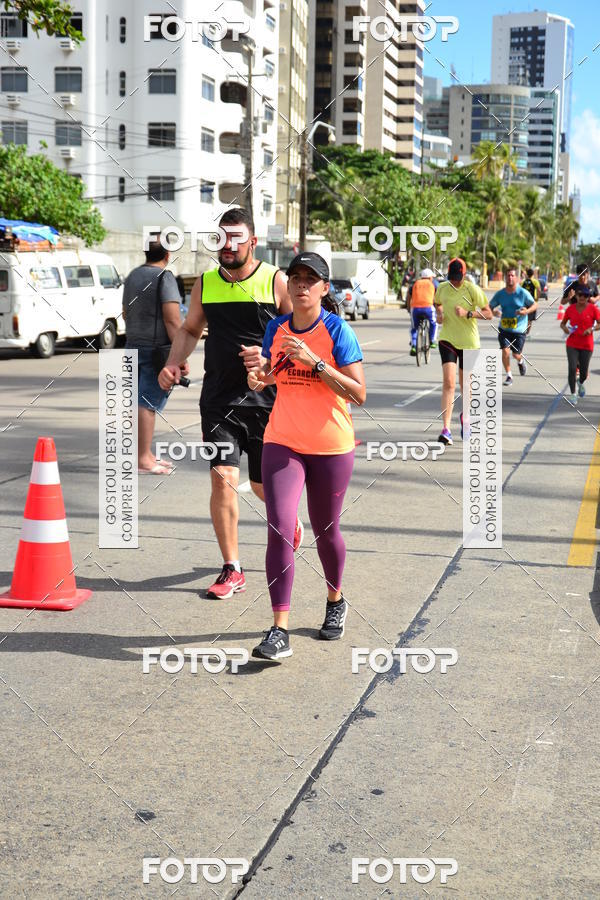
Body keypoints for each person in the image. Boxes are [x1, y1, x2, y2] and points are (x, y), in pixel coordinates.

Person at [158, 208, 295, 599]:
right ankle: (232, 568)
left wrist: (269, 354)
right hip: (219, 400)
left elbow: (299, 333)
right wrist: (171, 363)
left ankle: (292, 525)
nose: (228, 245)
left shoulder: (275, 280)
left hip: (269, 400)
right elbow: (189, 328)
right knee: (223, 480)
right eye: (222, 237)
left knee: (262, 485)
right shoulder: (206, 282)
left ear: (253, 241)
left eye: (236, 237)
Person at [246, 252, 366, 661]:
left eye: (309, 279)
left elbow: (359, 394)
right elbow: (268, 375)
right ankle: (279, 629)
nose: (300, 286)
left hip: (331, 446)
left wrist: (316, 363)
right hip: (282, 440)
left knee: (325, 531)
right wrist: (258, 377)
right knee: (279, 526)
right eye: (295, 278)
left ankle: (335, 599)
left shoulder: (336, 330)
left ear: (324, 288)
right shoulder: (276, 328)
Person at [122, 239, 186, 475]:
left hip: (132, 345)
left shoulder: (133, 276)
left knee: (137, 403)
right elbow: (172, 318)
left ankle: (144, 453)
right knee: (147, 405)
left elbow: (125, 312)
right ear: (167, 254)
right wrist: (179, 354)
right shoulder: (164, 277)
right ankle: (143, 459)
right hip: (156, 350)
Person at [434, 258, 492, 446]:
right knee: (449, 383)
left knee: (465, 384)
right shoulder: (442, 288)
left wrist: (468, 313)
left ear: (464, 275)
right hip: (448, 339)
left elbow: (488, 313)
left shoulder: (472, 289)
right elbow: (437, 303)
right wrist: (440, 313)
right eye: (452, 278)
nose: (455, 281)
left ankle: (465, 418)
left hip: (469, 342)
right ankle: (446, 429)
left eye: (458, 278)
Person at [490, 267, 537, 385]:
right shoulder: (500, 294)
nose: (510, 278)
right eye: (508, 276)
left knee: (516, 354)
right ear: (506, 278)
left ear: (517, 278)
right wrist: (494, 312)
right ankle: (509, 376)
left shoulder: (523, 293)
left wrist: (526, 312)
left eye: (512, 275)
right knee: (505, 352)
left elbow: (535, 305)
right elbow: (489, 307)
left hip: (519, 329)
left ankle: (521, 361)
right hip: (504, 328)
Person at [560, 285, 600, 404]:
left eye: (585, 295)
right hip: (572, 344)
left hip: (587, 345)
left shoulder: (593, 309)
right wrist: (565, 329)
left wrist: (591, 329)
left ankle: (580, 383)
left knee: (583, 372)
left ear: (588, 297)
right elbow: (562, 323)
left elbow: (599, 323)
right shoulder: (570, 309)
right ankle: (573, 394)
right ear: (576, 296)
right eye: (580, 295)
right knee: (572, 369)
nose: (582, 297)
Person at [407, 268, 438, 355]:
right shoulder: (434, 283)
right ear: (430, 277)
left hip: (415, 309)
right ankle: (432, 340)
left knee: (414, 328)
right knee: (434, 323)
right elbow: (438, 297)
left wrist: (409, 308)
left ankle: (414, 345)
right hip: (428, 308)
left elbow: (409, 296)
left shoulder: (415, 283)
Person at [521, 267, 540, 336]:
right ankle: (527, 333)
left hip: (523, 302)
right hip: (532, 302)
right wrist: (537, 299)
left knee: (523, 316)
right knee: (530, 318)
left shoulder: (523, 282)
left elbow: (519, 290)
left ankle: (522, 331)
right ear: (532, 274)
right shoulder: (535, 281)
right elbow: (539, 290)